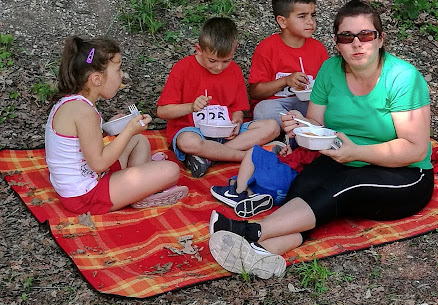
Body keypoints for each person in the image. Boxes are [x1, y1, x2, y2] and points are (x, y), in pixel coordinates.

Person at [207, 0, 433, 279]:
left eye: (366, 35)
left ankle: (250, 230)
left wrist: (357, 152)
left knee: (344, 187)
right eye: (346, 37)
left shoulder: (403, 78)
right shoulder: (329, 70)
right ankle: (263, 253)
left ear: (380, 38)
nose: (356, 44)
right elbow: (315, 123)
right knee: (304, 187)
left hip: (406, 174)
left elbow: (415, 148)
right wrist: (297, 125)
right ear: (337, 43)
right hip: (343, 156)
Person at [46, 36, 187, 214]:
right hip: (86, 197)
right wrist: (128, 130)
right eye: (118, 69)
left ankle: (138, 189)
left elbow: (80, 141)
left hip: (82, 183)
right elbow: (99, 163)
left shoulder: (72, 102)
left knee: (139, 140)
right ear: (96, 79)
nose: (122, 75)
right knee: (171, 170)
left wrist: (108, 129)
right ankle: (143, 192)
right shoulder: (84, 112)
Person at [156, 17, 280, 178]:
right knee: (187, 141)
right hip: (194, 132)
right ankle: (244, 156)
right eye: (212, 60)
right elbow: (162, 111)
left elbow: (238, 109)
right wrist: (191, 107)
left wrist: (237, 122)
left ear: (235, 49)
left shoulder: (234, 71)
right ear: (198, 49)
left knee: (272, 126)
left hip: (225, 133)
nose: (219, 67)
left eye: (226, 60)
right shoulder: (182, 68)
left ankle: (210, 157)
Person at [249, 0, 329, 125]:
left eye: (312, 15)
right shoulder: (267, 48)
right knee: (263, 110)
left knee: (329, 109)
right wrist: (285, 81)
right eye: (302, 16)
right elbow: (255, 92)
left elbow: (327, 86)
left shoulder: (318, 48)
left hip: (307, 105)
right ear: (282, 21)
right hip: (276, 105)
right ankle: (299, 128)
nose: (310, 21)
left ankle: (298, 128)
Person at [209, 141, 318, 218]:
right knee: (238, 179)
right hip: (282, 194)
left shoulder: (317, 147)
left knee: (254, 151)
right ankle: (253, 196)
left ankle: (237, 193)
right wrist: (290, 156)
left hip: (285, 175)